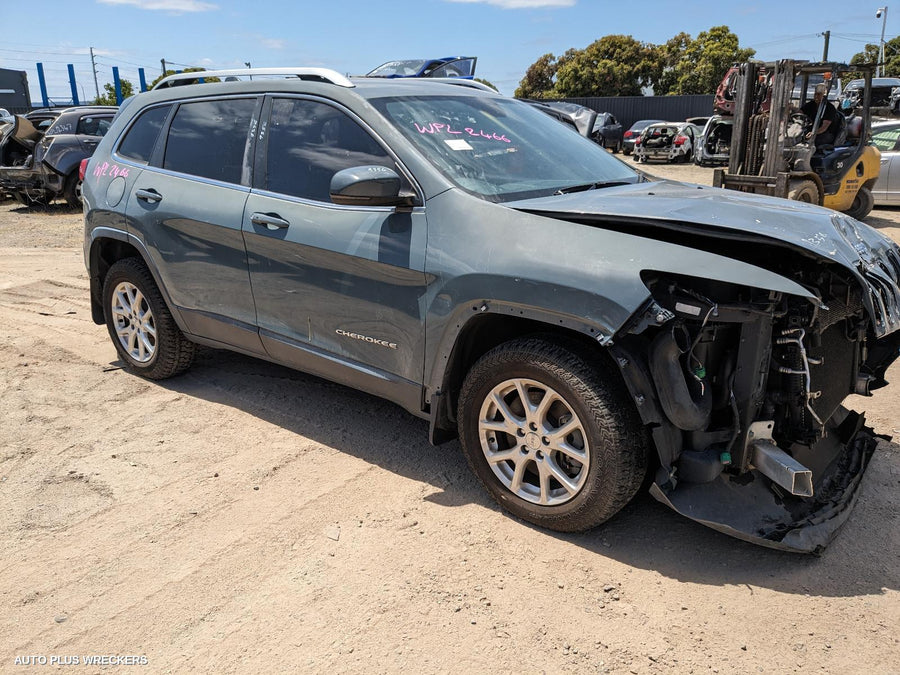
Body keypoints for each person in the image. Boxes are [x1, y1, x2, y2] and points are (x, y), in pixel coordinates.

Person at [800, 83, 839, 147]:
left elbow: (824, 127)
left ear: (824, 95)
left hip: (825, 133)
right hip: (810, 131)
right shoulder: (810, 105)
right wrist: (791, 108)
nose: (816, 96)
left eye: (819, 94)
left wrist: (813, 133)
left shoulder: (829, 108)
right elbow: (800, 112)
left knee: (811, 141)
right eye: (815, 94)